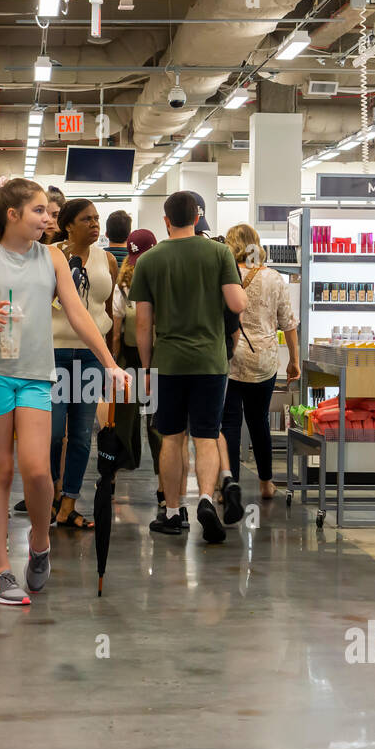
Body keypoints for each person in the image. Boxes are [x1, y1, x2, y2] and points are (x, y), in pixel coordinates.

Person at [0, 177, 126, 606]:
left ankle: (40, 543)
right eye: (40, 211)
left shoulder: (52, 259)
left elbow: (79, 314)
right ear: (13, 215)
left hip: (36, 375)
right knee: (0, 472)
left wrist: (111, 363)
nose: (49, 218)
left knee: (38, 470)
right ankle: (0, 573)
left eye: (48, 211)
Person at [130, 190, 246, 544]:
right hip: (211, 361)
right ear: (198, 217)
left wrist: (147, 368)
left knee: (171, 436)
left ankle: (171, 511)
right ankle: (208, 500)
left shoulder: (149, 260)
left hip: (169, 363)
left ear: (165, 220)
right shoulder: (219, 252)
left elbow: (143, 325)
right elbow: (237, 303)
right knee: (207, 436)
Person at [46, 198, 119, 530]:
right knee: (50, 431)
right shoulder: (50, 256)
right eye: (87, 219)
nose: (95, 224)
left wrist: (110, 358)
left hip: (91, 355)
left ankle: (69, 503)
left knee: (80, 434)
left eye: (97, 219)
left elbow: (105, 311)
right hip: (54, 353)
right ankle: (49, 494)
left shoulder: (107, 259)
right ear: (68, 224)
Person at [218, 223, 301, 513]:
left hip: (230, 358)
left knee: (228, 423)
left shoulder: (226, 275)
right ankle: (266, 482)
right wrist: (294, 359)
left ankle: (229, 487)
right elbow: (288, 323)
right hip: (264, 358)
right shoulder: (274, 278)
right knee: (259, 421)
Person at [111, 228, 157, 473]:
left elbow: (117, 327)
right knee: (156, 419)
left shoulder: (122, 283)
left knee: (125, 417)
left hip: (129, 357)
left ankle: (125, 463)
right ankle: (163, 481)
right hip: (157, 357)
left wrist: (114, 360)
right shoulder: (161, 277)